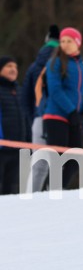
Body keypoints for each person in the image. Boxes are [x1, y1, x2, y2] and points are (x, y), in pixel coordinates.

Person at [42, 27, 83, 189]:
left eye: (69, 41)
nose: (65, 44)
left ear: (78, 43)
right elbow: (55, 90)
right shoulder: (55, 62)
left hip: (74, 117)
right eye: (62, 41)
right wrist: (71, 111)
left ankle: (58, 188)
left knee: (76, 157)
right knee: (58, 158)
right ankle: (50, 190)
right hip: (56, 116)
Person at [22, 25, 60, 192]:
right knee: (60, 162)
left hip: (39, 118)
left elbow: (25, 98)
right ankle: (54, 196)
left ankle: (33, 196)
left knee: (39, 163)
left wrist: (34, 117)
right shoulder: (67, 64)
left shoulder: (34, 66)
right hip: (61, 119)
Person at [0, 56, 30, 194]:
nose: (13, 69)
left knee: (12, 187)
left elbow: (26, 117)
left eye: (15, 67)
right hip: (2, 148)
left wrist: (28, 142)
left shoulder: (19, 90)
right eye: (9, 66)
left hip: (18, 147)